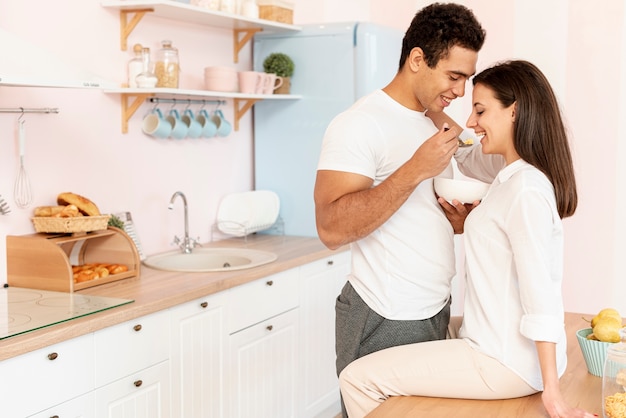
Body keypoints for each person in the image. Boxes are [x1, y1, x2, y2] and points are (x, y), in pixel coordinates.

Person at [338, 60, 596, 418]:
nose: (471, 123)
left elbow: (542, 296)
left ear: (515, 111)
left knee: (356, 377)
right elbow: (465, 151)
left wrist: (553, 394)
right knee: (434, 330)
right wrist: (426, 102)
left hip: (503, 360)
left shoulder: (525, 189)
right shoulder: (513, 176)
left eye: (480, 110)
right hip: (500, 345)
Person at [314, 3, 486, 415]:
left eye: (467, 78)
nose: (461, 91)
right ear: (417, 59)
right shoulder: (358, 124)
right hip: (384, 315)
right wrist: (414, 170)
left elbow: (417, 213)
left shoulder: (436, 120)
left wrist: (458, 224)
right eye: (454, 76)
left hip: (434, 307)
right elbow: (331, 228)